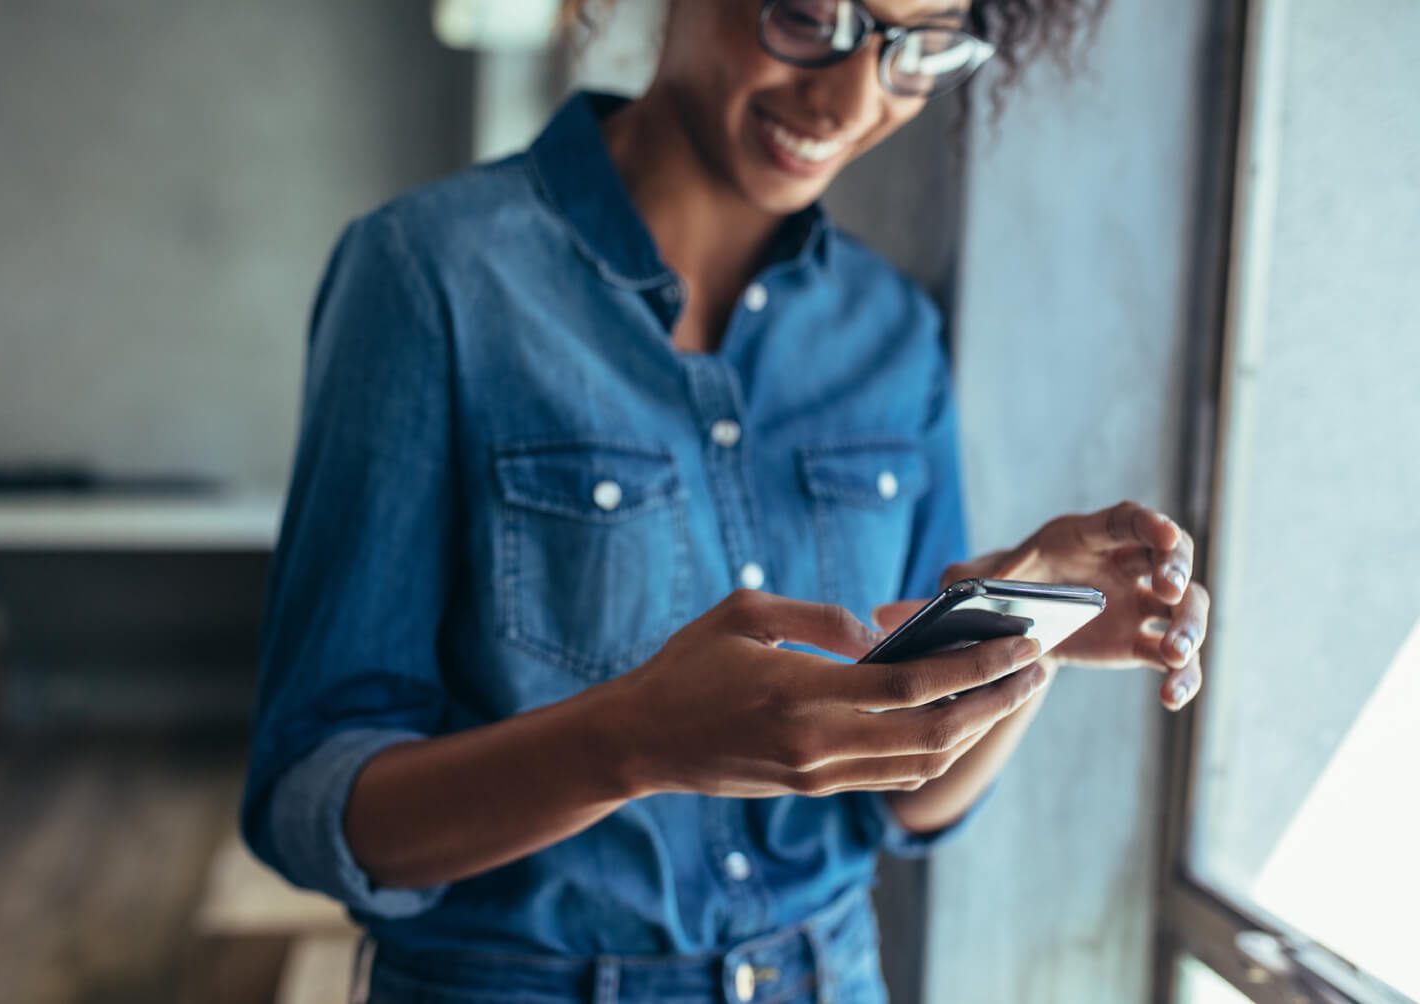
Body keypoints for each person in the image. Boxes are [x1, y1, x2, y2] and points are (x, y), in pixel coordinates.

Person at [241, 1, 1212, 1001]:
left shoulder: (892, 333)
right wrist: (628, 741)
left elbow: (902, 806)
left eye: (914, 50)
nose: (850, 97)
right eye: (807, 14)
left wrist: (1021, 638)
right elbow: (314, 805)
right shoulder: (427, 276)